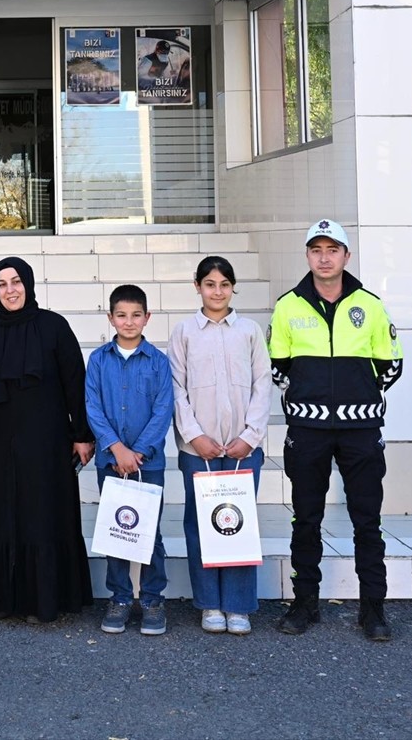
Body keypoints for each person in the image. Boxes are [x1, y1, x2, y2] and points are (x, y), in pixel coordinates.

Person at [269, 220, 403, 642]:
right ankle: (305, 603)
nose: (324, 258)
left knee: (368, 521)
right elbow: (278, 368)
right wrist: (312, 400)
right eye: (316, 250)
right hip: (307, 431)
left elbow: (391, 365)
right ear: (307, 256)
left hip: (360, 431)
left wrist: (354, 397)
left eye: (333, 249)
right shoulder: (288, 306)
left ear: (346, 256)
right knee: (306, 519)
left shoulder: (372, 306)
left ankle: (373, 610)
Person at [0, 257, 95, 622]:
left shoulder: (54, 327)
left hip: (47, 440)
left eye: (16, 281)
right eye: (2, 284)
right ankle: (1, 599)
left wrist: (82, 434)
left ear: (29, 284)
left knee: (43, 514)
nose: (10, 290)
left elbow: (74, 383)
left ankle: (43, 601)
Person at [169, 256, 272, 635]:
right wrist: (194, 435)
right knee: (201, 524)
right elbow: (176, 389)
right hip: (200, 451)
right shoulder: (184, 332)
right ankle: (209, 603)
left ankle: (239, 605)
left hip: (242, 448)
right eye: (210, 284)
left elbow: (263, 384)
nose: (217, 291)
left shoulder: (248, 330)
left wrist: (250, 436)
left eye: (224, 284)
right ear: (197, 286)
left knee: (237, 523)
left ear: (232, 288)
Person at [85, 284, 173, 636]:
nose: (129, 321)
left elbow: (163, 410)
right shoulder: (98, 360)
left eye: (136, 315)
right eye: (121, 315)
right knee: (116, 530)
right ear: (110, 318)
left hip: (147, 464)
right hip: (111, 462)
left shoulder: (158, 361)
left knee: (150, 533)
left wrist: (138, 452)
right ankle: (120, 598)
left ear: (147, 318)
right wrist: (116, 449)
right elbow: (93, 406)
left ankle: (152, 599)